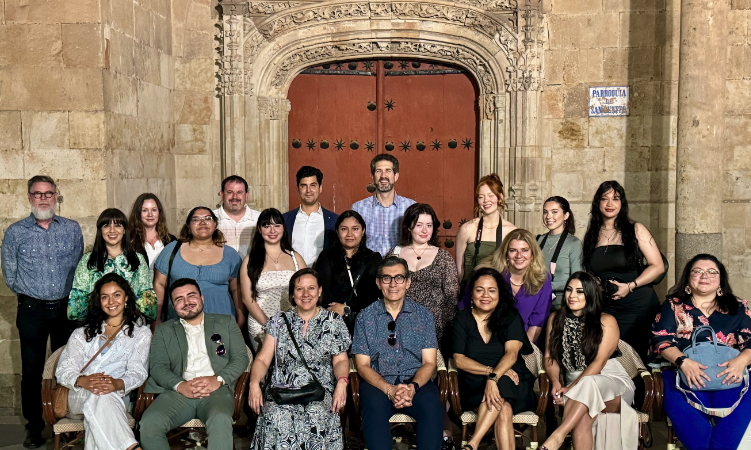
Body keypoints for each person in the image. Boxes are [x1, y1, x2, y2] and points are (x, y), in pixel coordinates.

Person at [1, 175, 83, 448]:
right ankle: (33, 427)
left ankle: (66, 421)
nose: (44, 198)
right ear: (29, 197)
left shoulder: (72, 229)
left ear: (56, 195)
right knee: (32, 372)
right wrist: (33, 295)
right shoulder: (15, 232)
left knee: (66, 368)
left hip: (65, 311)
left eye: (49, 193)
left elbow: (78, 269)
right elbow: (10, 276)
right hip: (32, 311)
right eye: (38, 194)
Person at [650, 254, 751, 450]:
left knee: (728, 433)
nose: (705, 276)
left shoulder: (737, 306)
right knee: (698, 439)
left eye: (712, 272)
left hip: (729, 373)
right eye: (698, 271)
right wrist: (683, 362)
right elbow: (660, 339)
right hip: (681, 373)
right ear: (688, 278)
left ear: (721, 279)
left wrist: (741, 362)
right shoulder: (673, 305)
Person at [140, 278, 250, 450]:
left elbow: (241, 357)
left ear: (202, 298)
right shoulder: (164, 330)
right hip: (178, 392)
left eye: (191, 296)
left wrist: (218, 379)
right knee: (149, 423)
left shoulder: (226, 322)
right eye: (179, 299)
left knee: (220, 418)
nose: (186, 302)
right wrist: (180, 385)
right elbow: (158, 367)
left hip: (216, 391)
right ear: (173, 305)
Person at [248, 268, 351, 450]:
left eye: (311, 288)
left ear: (319, 291)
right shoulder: (279, 321)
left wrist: (342, 382)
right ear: (292, 294)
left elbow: (341, 361)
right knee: (277, 415)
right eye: (299, 289)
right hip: (284, 389)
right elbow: (263, 359)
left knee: (316, 414)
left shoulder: (334, 321)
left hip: (319, 389)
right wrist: (254, 384)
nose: (305, 294)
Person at [352, 256, 443, 450]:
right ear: (378, 283)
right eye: (386, 278)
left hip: (415, 382)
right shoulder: (365, 317)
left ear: (408, 282)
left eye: (399, 278)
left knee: (432, 405)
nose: (393, 284)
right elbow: (362, 365)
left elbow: (429, 362)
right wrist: (389, 389)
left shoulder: (424, 316)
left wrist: (412, 387)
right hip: (378, 383)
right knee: (374, 407)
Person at [542, 272, 637, 450]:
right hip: (579, 388)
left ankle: (558, 435)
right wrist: (555, 381)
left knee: (589, 383)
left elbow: (598, 363)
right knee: (582, 417)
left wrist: (571, 389)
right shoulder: (555, 319)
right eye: (569, 290)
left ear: (591, 294)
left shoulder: (606, 321)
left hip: (612, 383)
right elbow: (549, 357)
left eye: (579, 291)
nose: (572, 296)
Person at [55, 273, 151, 450]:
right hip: (79, 395)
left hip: (116, 395)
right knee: (100, 394)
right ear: (99, 301)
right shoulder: (82, 333)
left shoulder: (141, 333)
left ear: (126, 297)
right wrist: (84, 380)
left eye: (117, 295)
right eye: (104, 297)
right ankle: (131, 447)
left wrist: (116, 383)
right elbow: (63, 369)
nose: (111, 301)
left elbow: (138, 371)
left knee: (102, 399)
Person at [452, 268, 536, 450]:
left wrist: (494, 378)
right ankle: (473, 445)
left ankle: (472, 444)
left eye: (492, 290)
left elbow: (512, 354)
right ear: (471, 293)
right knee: (503, 408)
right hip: (474, 382)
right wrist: (491, 374)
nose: (485, 295)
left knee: (504, 384)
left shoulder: (511, 317)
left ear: (500, 293)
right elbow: (459, 360)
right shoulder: (462, 318)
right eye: (479, 289)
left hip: (514, 380)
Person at [582, 180, 664, 361]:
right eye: (605, 199)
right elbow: (592, 273)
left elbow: (658, 266)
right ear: (598, 203)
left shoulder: (636, 229)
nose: (610, 204)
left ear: (622, 203)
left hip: (639, 306)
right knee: (613, 360)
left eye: (616, 199)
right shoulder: (591, 235)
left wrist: (630, 285)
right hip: (609, 308)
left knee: (642, 361)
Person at [386, 203, 459, 351]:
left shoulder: (443, 257)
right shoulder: (395, 253)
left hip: (434, 327)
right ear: (409, 227)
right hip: (400, 322)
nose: (425, 230)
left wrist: (448, 329)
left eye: (429, 225)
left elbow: (452, 298)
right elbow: (385, 287)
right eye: (419, 225)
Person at [153, 207, 243, 326]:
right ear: (188, 227)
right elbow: (159, 284)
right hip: (179, 320)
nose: (202, 222)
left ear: (215, 224)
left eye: (208, 218)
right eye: (196, 219)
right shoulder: (172, 250)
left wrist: (241, 318)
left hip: (221, 318)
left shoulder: (230, 254)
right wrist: (156, 318)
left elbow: (237, 289)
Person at [68, 208, 156, 322]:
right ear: (100, 230)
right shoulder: (88, 261)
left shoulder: (137, 260)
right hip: (96, 326)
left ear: (124, 230)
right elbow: (76, 307)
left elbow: (149, 305)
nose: (112, 230)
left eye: (118, 225)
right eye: (106, 226)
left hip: (131, 326)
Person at [241, 208, 306, 351]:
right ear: (259, 229)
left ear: (283, 228)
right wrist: (270, 326)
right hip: (260, 323)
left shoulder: (296, 258)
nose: (272, 230)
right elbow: (247, 299)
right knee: (267, 366)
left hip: (293, 322)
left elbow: (307, 292)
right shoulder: (249, 261)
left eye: (277, 225)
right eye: (266, 226)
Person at [477, 229, 552, 344]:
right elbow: (470, 312)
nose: (519, 256)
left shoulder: (543, 278)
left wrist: (520, 350)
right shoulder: (489, 274)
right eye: (513, 250)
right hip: (488, 339)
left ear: (533, 254)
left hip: (525, 341)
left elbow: (537, 322)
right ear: (506, 253)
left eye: (525, 250)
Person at [314, 210, 382, 335]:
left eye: (355, 229)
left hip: (365, 325)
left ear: (363, 231)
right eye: (344, 229)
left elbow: (372, 297)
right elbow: (323, 292)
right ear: (337, 232)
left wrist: (347, 309)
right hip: (332, 324)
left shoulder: (373, 259)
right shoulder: (327, 257)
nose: (350, 234)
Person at [456, 174, 517, 289]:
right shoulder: (467, 229)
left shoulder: (511, 231)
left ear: (500, 197)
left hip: (499, 293)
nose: (486, 201)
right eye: (481, 197)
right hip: (470, 292)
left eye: (490, 195)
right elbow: (459, 270)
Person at [351, 154, 416, 256]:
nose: (383, 176)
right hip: (369, 269)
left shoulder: (410, 207)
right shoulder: (358, 208)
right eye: (378, 171)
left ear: (396, 176)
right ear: (372, 177)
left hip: (400, 268)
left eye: (388, 171)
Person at [282, 166, 339, 266]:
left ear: (320, 188)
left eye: (313, 185)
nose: (308, 190)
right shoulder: (284, 220)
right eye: (304, 186)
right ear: (298, 189)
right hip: (291, 277)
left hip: (323, 279)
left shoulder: (335, 221)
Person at [536, 196, 583, 311]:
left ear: (566, 215)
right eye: (545, 212)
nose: (549, 216)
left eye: (554, 212)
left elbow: (578, 279)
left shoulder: (573, 243)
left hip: (561, 306)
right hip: (537, 303)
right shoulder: (537, 240)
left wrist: (548, 286)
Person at [127, 193, 176, 277]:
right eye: (145, 210)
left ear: (159, 213)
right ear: (138, 214)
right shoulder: (129, 241)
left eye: (154, 210)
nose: (150, 214)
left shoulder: (171, 240)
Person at [213, 175, 261, 258]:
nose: (235, 197)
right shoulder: (210, 219)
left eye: (239, 192)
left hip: (252, 270)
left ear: (246, 195)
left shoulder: (259, 218)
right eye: (230, 192)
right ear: (222, 195)